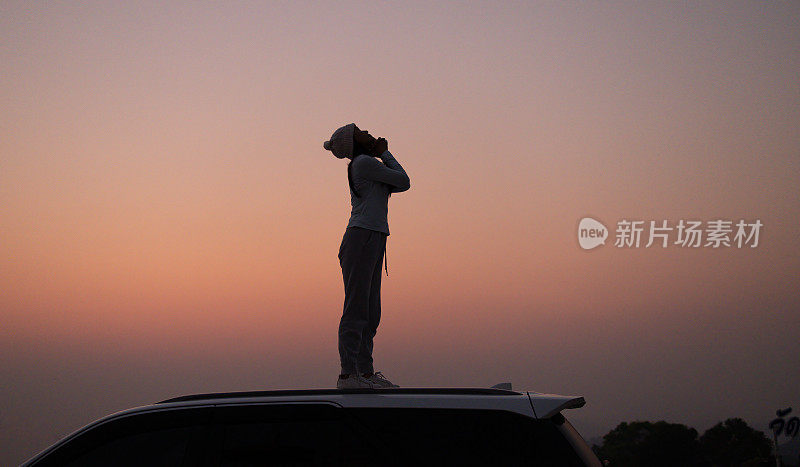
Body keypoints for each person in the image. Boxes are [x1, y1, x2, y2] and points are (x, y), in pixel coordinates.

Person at [324, 123, 410, 389]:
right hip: (361, 237)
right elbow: (404, 180)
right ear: (354, 142)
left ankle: (366, 373)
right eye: (360, 131)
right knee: (357, 308)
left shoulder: (370, 167)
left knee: (371, 311)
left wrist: (383, 155)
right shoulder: (363, 163)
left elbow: (401, 183)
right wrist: (385, 152)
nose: (368, 133)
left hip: (372, 238)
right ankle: (348, 375)